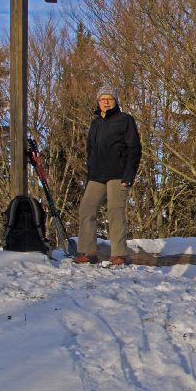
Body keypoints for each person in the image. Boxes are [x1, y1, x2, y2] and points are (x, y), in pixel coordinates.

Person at [74, 86, 142, 265]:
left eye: (109, 98)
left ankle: (119, 254)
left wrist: (129, 175)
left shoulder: (125, 120)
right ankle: (88, 252)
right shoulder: (95, 122)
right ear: (98, 101)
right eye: (102, 98)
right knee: (86, 211)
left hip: (118, 174)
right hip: (96, 175)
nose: (105, 101)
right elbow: (90, 150)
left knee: (115, 212)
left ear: (115, 101)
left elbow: (134, 149)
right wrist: (89, 172)